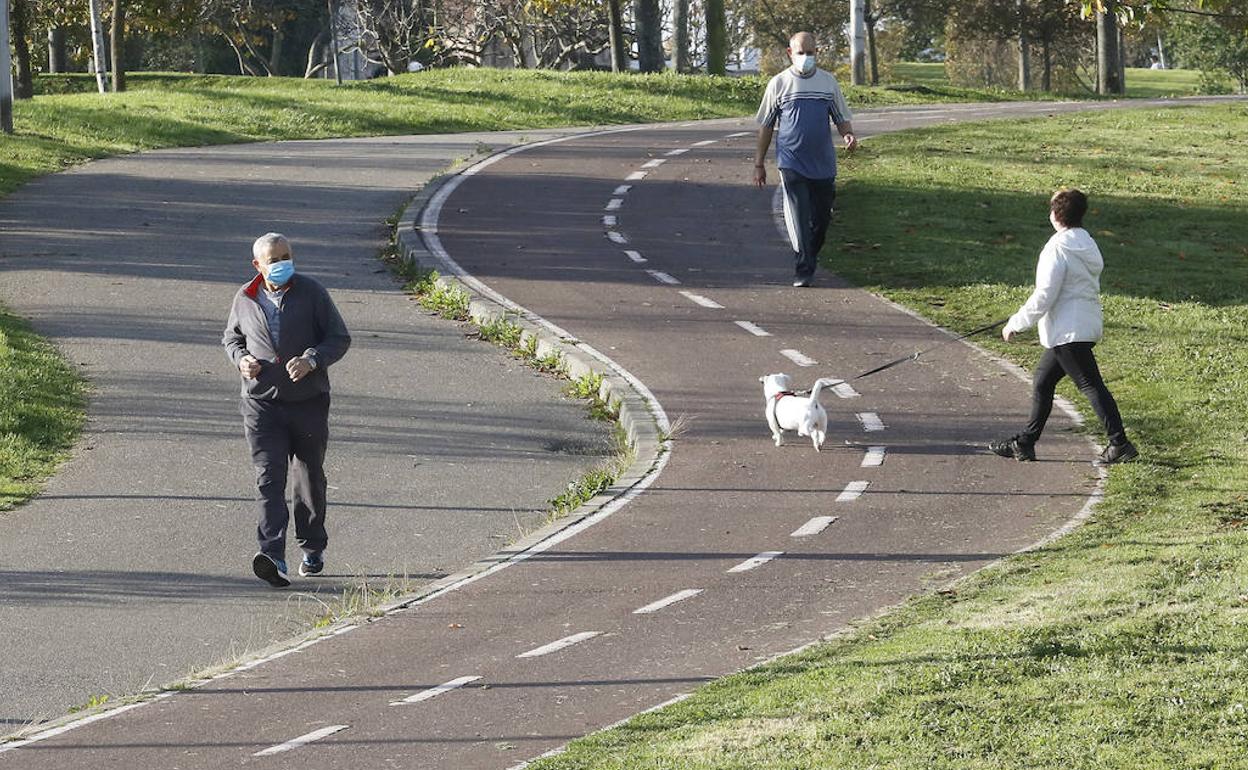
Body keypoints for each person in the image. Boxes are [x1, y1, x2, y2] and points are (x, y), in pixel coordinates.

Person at [223, 233, 352, 587]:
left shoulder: (312, 293)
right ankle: (272, 555)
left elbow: (338, 338)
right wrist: (242, 360)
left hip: (308, 403)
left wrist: (312, 359)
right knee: (269, 478)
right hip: (261, 404)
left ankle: (312, 547)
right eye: (273, 259)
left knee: (309, 478)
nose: (281, 264)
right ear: (257, 265)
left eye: (287, 256)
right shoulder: (245, 298)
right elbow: (231, 338)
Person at [990, 190, 1138, 466]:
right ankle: (1025, 443)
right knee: (1043, 382)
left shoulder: (1057, 247)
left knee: (1091, 386)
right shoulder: (1087, 242)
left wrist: (1017, 322)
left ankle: (1120, 443)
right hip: (1082, 324)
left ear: (1056, 215)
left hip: (1067, 332)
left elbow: (1045, 293)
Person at [753, 31, 858, 288]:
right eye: (801, 53)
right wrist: (759, 164)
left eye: (810, 53)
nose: (806, 57)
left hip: (823, 163)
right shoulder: (778, 84)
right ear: (790, 54)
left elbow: (841, 117)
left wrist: (848, 136)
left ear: (816, 53)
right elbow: (766, 126)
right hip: (791, 162)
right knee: (800, 217)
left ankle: (809, 254)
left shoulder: (828, 83)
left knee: (821, 220)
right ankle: (804, 269)